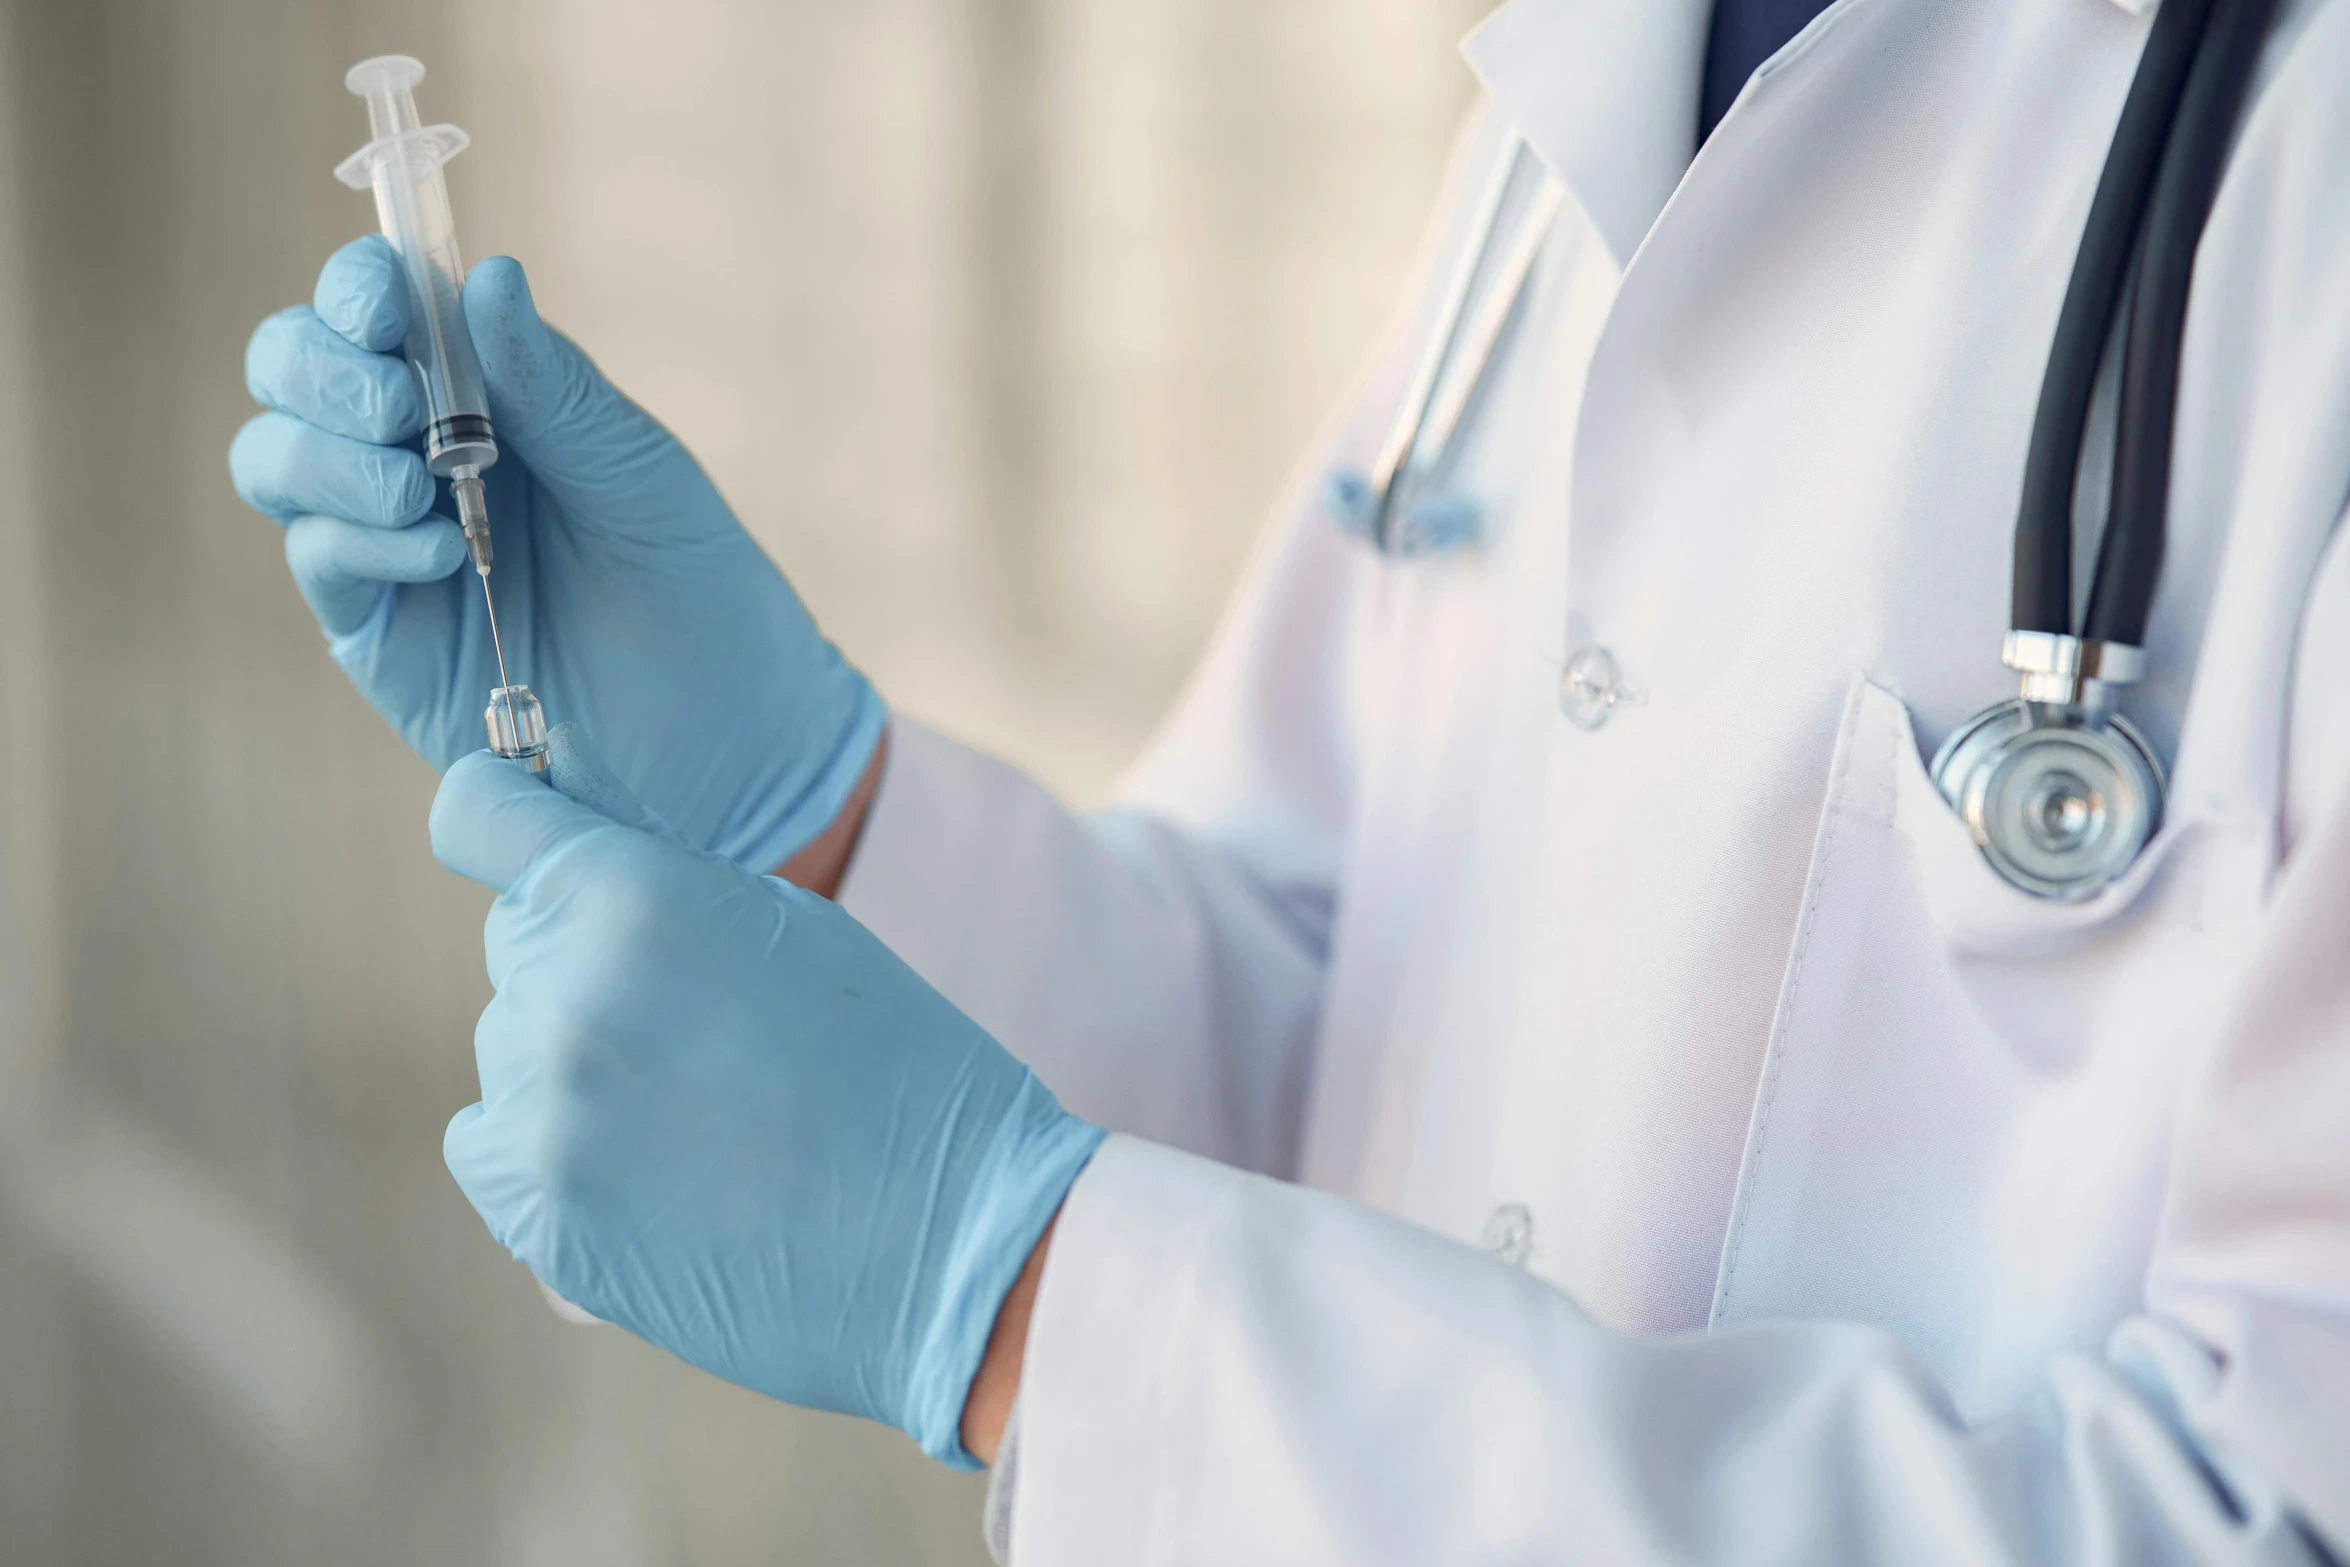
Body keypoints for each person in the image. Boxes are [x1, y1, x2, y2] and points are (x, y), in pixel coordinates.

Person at [229, 0, 2350, 1559]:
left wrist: (1033, 1296)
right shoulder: (1604, 88)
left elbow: (2259, 1514)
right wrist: (818, 816)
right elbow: (1359, 1004)